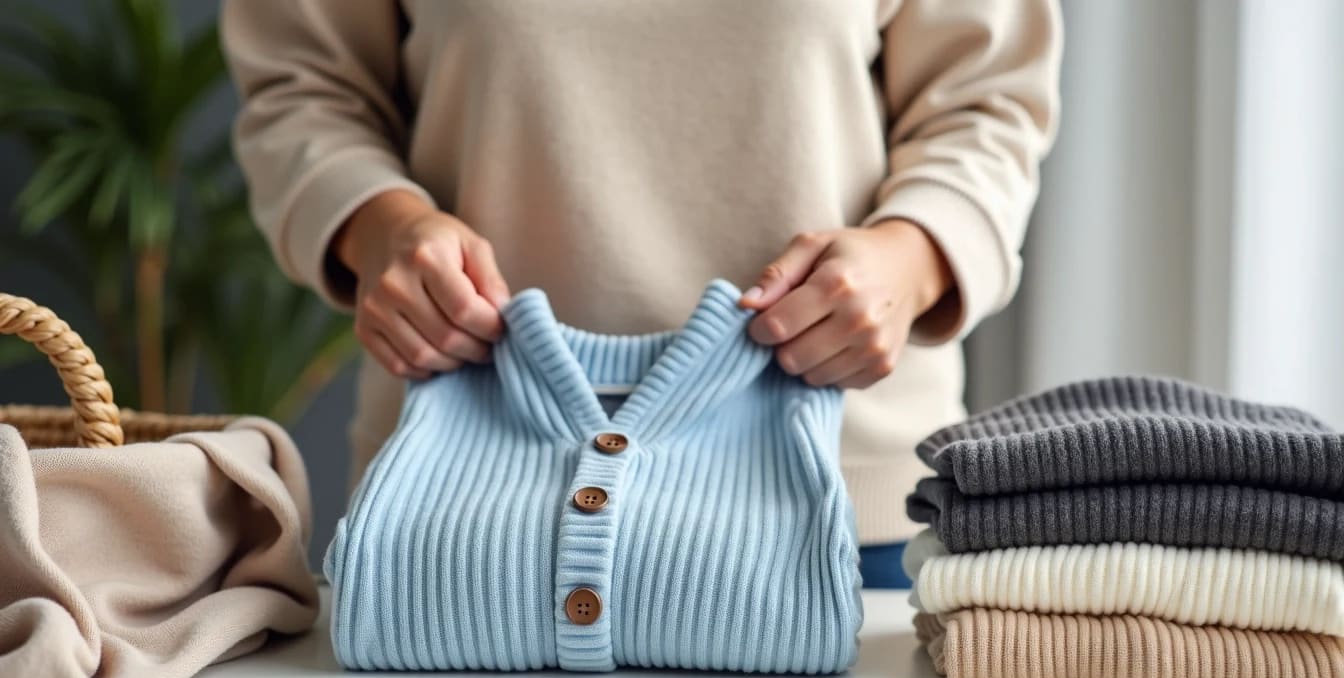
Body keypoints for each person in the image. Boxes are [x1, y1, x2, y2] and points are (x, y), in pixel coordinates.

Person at [222, 1, 1060, 588]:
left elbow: (987, 104)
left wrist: (906, 262)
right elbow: (304, 91)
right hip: (464, 499)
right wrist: (381, 228)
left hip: (843, 492)